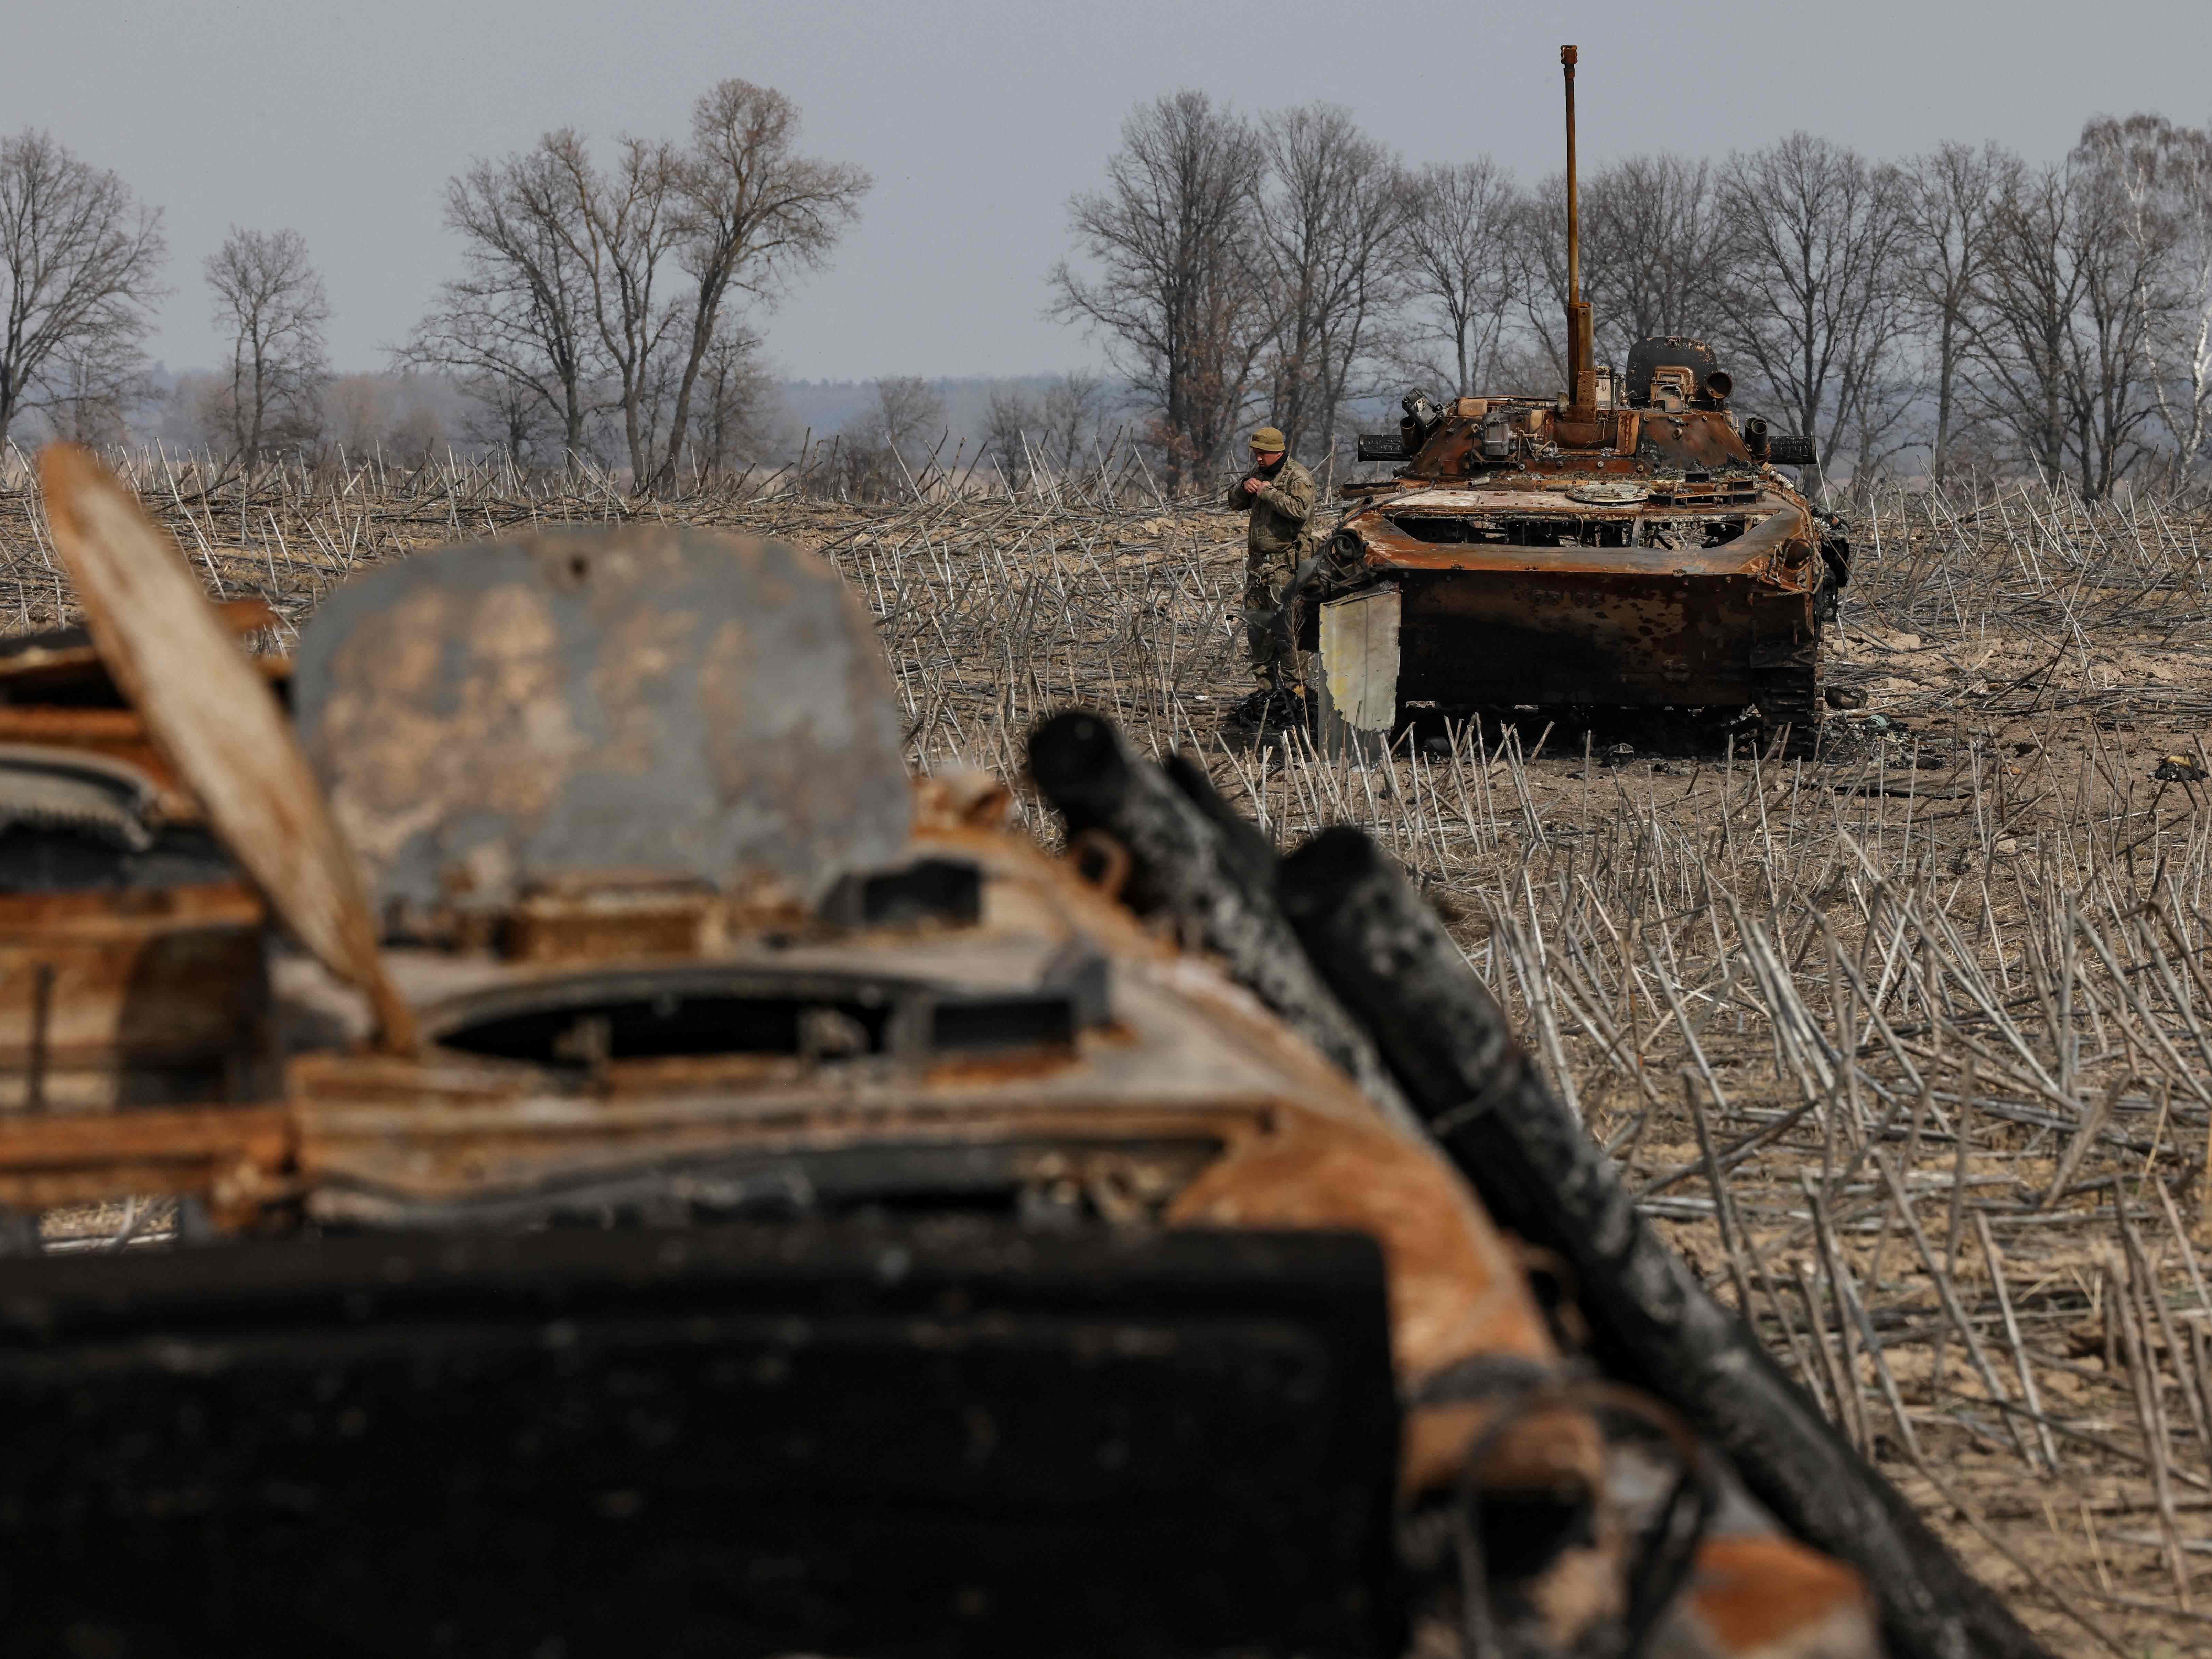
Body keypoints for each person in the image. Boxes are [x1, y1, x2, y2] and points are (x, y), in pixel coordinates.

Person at [1226, 426, 1315, 690]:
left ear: (1278, 452)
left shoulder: (1297, 477)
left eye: (1263, 454)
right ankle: (1265, 694)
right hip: (1258, 569)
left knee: (1290, 633)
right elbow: (1233, 502)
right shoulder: (1257, 473)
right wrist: (1244, 488)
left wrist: (1267, 493)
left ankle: (1295, 695)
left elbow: (1300, 510)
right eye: (1255, 454)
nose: (1258, 459)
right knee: (1258, 633)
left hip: (1286, 567)